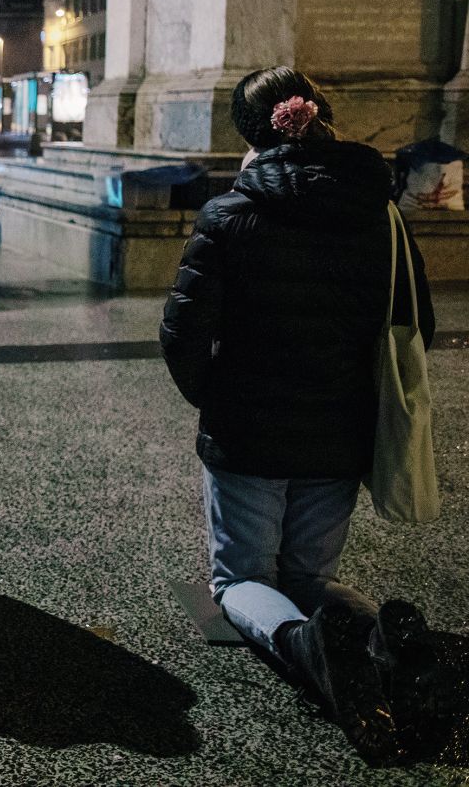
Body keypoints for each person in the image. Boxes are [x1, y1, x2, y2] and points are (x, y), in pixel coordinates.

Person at [160, 66, 443, 758]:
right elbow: (418, 323)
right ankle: (384, 636)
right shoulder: (380, 214)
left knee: (242, 580)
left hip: (249, 432)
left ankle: (309, 649)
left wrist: (218, 397)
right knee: (309, 577)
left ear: (252, 135)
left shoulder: (230, 213)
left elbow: (183, 334)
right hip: (341, 434)